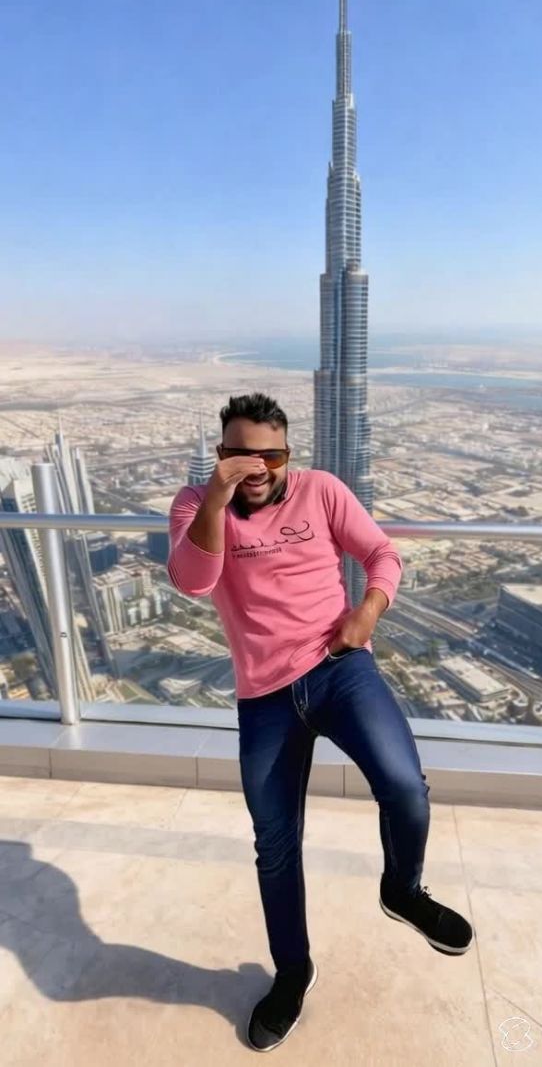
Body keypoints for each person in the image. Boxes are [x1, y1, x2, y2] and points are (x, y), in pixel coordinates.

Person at [167, 391, 473, 1053]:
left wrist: (366, 613)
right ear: (220, 454)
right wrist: (216, 499)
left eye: (271, 455)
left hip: (339, 669)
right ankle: (292, 973)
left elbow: (382, 554)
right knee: (275, 843)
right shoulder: (196, 505)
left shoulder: (322, 491)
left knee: (405, 787)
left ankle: (403, 889)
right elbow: (192, 581)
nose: (257, 468)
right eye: (239, 455)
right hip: (264, 696)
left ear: (288, 453)